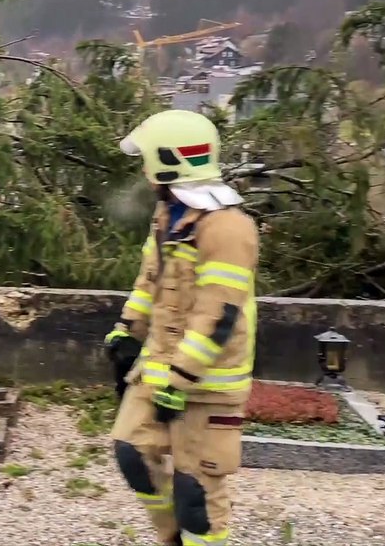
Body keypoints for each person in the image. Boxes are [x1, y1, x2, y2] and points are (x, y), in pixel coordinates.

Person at [103, 110, 259, 546]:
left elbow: (218, 313)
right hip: (159, 369)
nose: (142, 170)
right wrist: (126, 330)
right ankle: (171, 539)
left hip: (207, 383)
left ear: (167, 161)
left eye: (147, 159)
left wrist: (183, 376)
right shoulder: (168, 216)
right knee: (132, 451)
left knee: (196, 490)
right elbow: (150, 282)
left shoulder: (228, 227)